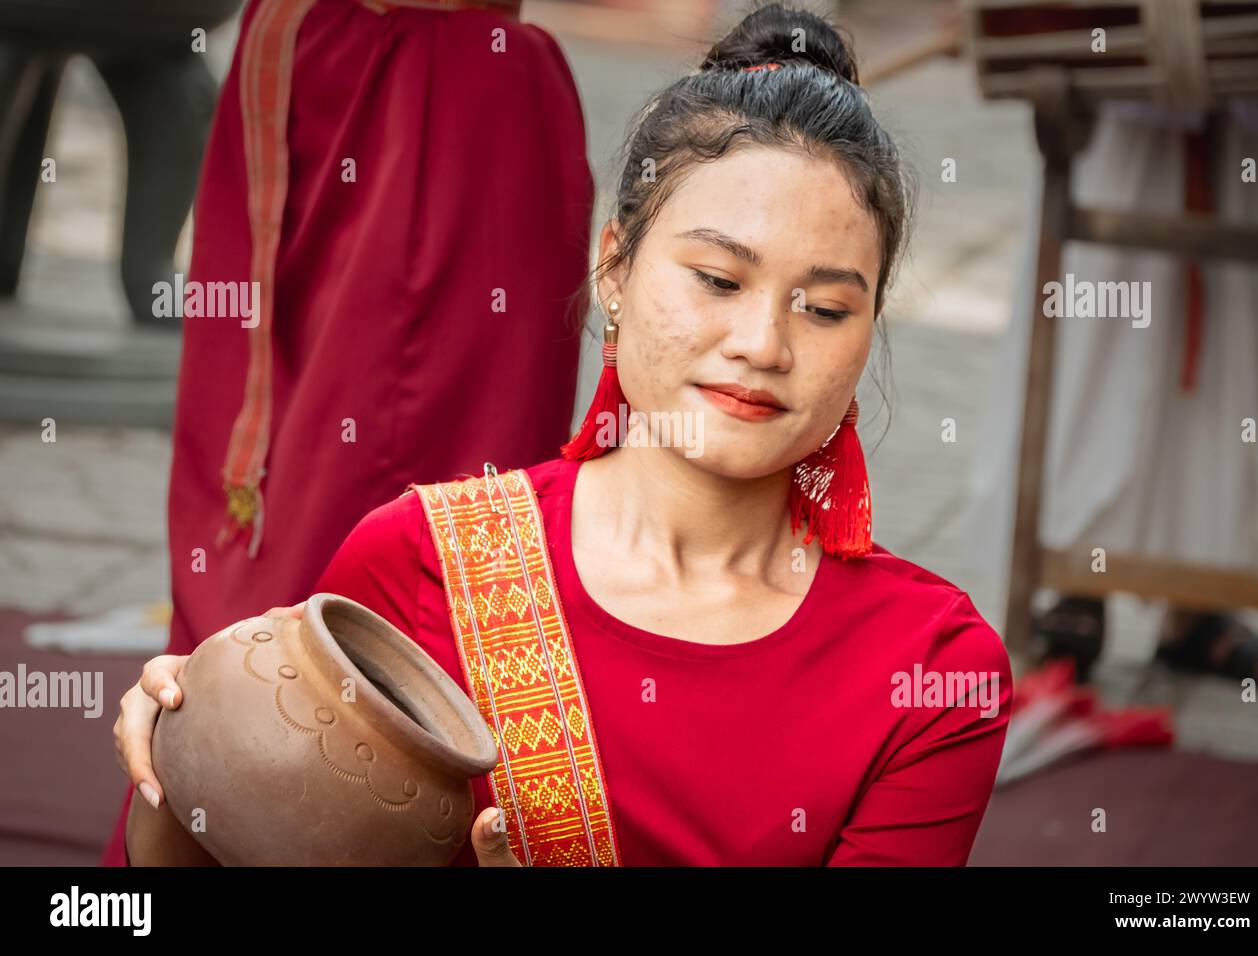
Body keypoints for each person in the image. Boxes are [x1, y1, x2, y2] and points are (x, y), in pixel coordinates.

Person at [111, 3, 1013, 867]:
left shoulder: (931, 671)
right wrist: (182, 773)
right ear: (613, 266)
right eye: (716, 279)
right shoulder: (425, 561)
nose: (763, 345)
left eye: (822, 308)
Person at [100, 0, 594, 864]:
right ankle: (221, 802)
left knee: (463, 533)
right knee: (281, 539)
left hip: (467, 77)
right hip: (338, 55)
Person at [970, 96, 1258, 687]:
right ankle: (1078, 581)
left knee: (1234, 316)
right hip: (1128, 71)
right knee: (1100, 309)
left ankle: (1200, 598)